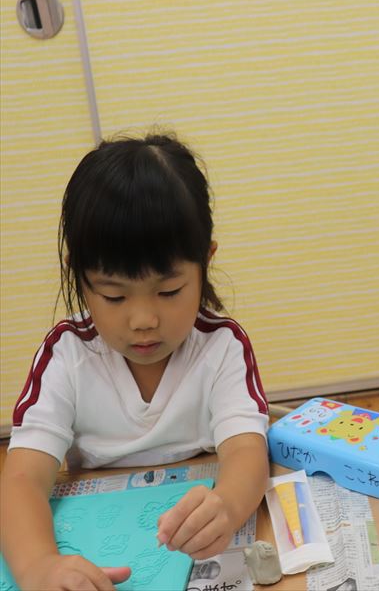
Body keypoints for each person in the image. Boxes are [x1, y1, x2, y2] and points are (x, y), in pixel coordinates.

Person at [0, 133, 270, 590]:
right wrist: (38, 566)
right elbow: (22, 478)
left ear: (205, 262)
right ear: (78, 275)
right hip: (96, 541)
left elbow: (247, 452)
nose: (144, 320)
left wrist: (226, 504)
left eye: (169, 291)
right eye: (114, 295)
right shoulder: (66, 355)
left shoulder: (222, 346)